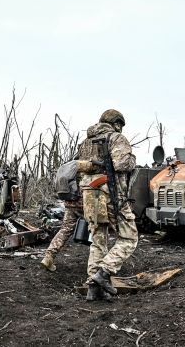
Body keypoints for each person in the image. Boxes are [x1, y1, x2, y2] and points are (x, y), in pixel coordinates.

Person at [76, 109, 138, 301]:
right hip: (111, 194)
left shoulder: (85, 142)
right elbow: (122, 164)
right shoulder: (116, 138)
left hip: (89, 194)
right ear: (117, 123)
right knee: (129, 237)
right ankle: (104, 273)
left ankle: (93, 290)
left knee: (98, 240)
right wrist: (133, 160)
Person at [40, 199, 83, 272]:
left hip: (70, 202)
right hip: (87, 202)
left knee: (65, 229)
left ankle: (48, 257)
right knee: (98, 232)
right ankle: (97, 270)